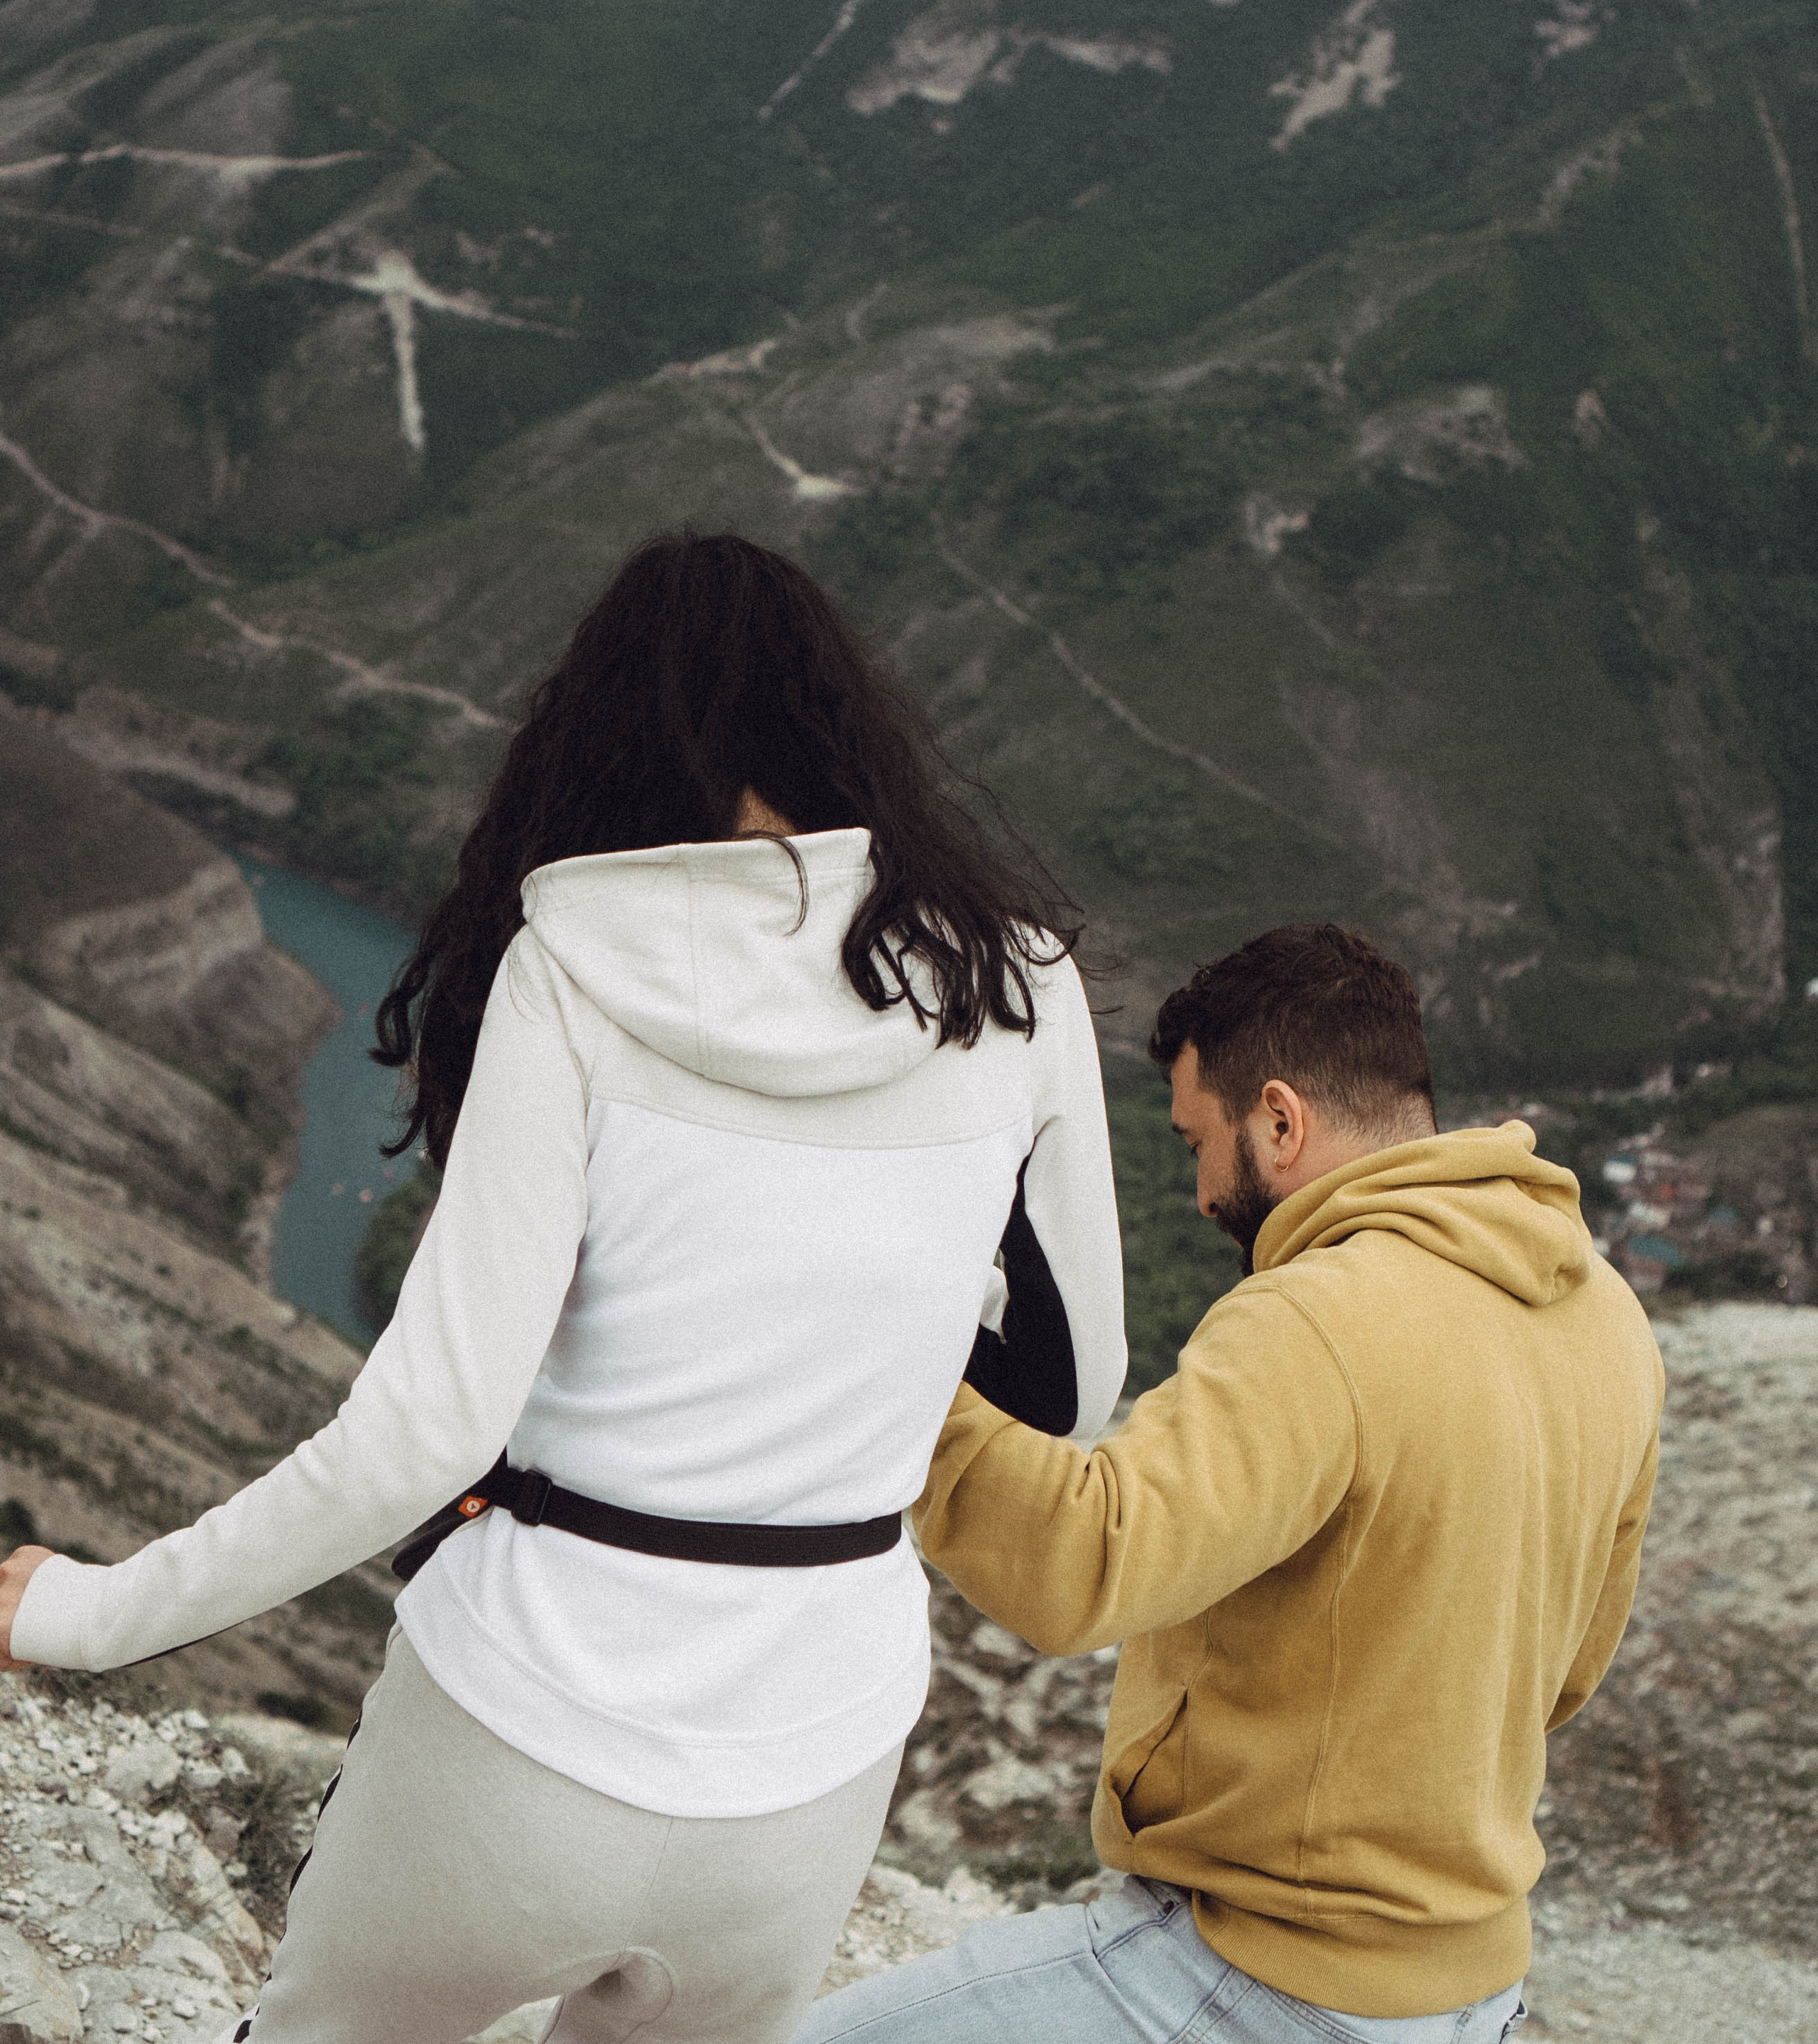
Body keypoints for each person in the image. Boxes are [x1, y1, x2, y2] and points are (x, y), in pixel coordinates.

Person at [0, 531, 1126, 2044]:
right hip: (813, 1761)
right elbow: (1071, 1384)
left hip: (521, 1739)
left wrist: (80, 1612)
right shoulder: (1017, 983)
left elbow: (422, 1437)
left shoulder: (569, 969)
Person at [798, 924, 1663, 2044]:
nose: (1203, 1191)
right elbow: (1569, 1667)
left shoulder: (1319, 1318)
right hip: (1466, 1993)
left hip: (1263, 1977)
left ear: (1282, 1120)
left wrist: (889, 1364)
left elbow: (1085, 1563)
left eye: (1198, 1140)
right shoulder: (1607, 1316)